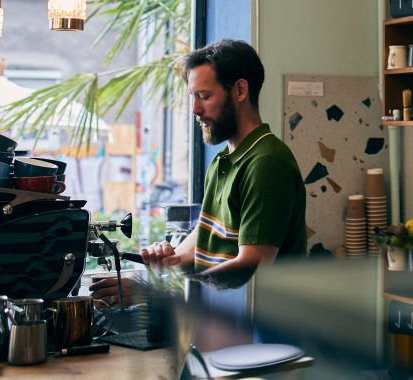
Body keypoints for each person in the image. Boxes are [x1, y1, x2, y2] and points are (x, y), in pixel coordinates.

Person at [92, 39, 306, 298]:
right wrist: (168, 261)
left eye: (204, 96)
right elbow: (201, 239)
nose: (195, 109)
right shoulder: (222, 161)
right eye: (193, 97)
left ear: (240, 91)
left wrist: (156, 290)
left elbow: (251, 268)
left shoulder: (267, 163)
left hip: (265, 330)